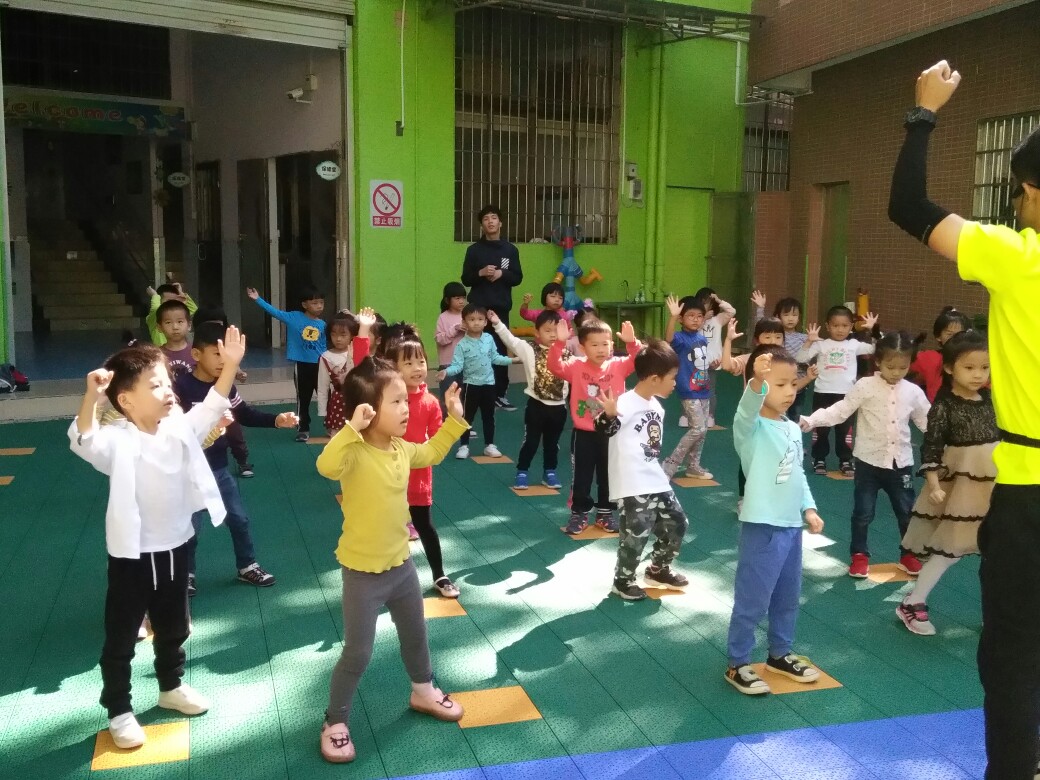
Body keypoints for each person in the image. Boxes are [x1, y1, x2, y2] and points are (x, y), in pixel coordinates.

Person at [887, 61, 1040, 777]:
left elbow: (908, 204)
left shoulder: (1019, 256)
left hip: (1030, 492)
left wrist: (924, 112)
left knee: (1012, 650)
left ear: (1030, 191)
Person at [68, 328, 246, 749]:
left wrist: (231, 366)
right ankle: (119, 709)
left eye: (167, 382)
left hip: (176, 545)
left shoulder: (179, 428)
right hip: (132, 555)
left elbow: (213, 404)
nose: (167, 390)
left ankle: (171, 686)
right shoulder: (115, 440)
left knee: (174, 625)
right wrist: (93, 396)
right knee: (122, 635)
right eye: (154, 385)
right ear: (126, 400)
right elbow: (83, 439)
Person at [315, 359, 468, 764]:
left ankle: (423, 690)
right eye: (396, 401)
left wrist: (454, 420)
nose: (406, 408)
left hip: (401, 567)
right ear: (367, 411)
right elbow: (325, 465)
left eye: (406, 400)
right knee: (358, 653)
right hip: (362, 575)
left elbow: (431, 452)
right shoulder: (353, 453)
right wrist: (350, 429)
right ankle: (335, 720)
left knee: (415, 635)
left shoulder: (401, 449)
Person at [725, 346, 825, 695]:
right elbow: (747, 407)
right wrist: (756, 380)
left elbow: (798, 473)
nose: (789, 392)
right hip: (762, 526)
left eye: (792, 384)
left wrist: (808, 508)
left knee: (787, 596)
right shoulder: (749, 428)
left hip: (791, 527)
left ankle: (779, 654)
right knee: (753, 599)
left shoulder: (793, 428)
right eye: (779, 385)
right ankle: (738, 662)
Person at [175, 321, 298, 595]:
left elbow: (245, 415)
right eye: (217, 354)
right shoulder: (180, 387)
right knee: (188, 529)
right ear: (196, 354)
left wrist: (276, 420)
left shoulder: (227, 387)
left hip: (219, 470)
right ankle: (186, 574)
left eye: (228, 355)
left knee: (239, 520)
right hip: (188, 474)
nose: (224, 361)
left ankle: (247, 566)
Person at [799, 332, 930, 578]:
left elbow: (927, 422)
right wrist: (812, 420)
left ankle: (909, 554)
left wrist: (948, 440)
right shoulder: (865, 386)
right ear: (878, 361)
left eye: (903, 367)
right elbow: (841, 410)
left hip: (900, 463)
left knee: (907, 512)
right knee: (863, 513)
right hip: (868, 463)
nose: (896, 372)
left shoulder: (913, 392)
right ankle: (859, 555)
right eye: (890, 366)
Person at [898, 331, 996, 636]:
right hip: (960, 490)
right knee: (949, 550)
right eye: (970, 367)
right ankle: (913, 602)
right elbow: (931, 448)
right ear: (950, 368)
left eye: (984, 367)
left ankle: (995, 613)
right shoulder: (944, 406)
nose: (979, 374)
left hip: (993, 485)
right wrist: (934, 484)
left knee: (997, 551)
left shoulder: (989, 400)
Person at [594, 340, 690, 601]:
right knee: (636, 532)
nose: (675, 383)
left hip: (655, 478)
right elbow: (605, 429)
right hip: (631, 482)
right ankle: (623, 581)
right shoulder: (625, 402)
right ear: (655, 379)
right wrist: (608, 415)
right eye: (672, 377)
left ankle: (658, 569)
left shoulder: (656, 406)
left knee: (677, 522)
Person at [378, 323, 461, 598]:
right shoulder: (387, 398)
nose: (417, 367)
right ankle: (382, 578)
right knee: (388, 528)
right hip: (389, 476)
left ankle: (439, 574)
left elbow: (438, 440)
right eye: (409, 362)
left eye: (421, 361)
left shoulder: (430, 401)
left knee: (425, 526)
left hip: (418, 477)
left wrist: (453, 416)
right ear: (394, 367)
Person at [548, 317, 641, 534]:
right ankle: (579, 513)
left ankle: (605, 513)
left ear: (612, 345)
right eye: (594, 344)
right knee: (582, 476)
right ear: (582, 347)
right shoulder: (576, 366)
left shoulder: (618, 365)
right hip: (584, 434)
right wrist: (559, 343)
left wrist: (632, 342)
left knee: (609, 475)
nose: (601, 349)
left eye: (605, 344)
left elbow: (639, 360)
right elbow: (554, 366)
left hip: (612, 432)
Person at [722, 316, 817, 514]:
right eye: (767, 337)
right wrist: (729, 340)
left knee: (781, 458)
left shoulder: (784, 362)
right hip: (753, 419)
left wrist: (807, 378)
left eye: (778, 337)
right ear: (757, 340)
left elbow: (792, 387)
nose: (773, 341)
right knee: (750, 459)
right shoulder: (751, 359)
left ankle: (776, 496)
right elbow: (727, 365)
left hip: (777, 418)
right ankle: (745, 497)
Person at [489, 308, 569, 491]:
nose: (553, 335)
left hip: (559, 409)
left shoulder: (567, 353)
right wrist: (497, 323)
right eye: (547, 330)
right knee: (531, 442)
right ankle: (522, 471)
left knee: (552, 443)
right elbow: (511, 340)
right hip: (536, 407)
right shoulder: (529, 349)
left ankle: (550, 472)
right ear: (537, 332)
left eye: (556, 331)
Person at [796, 306, 880, 476]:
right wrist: (809, 341)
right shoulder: (821, 344)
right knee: (820, 427)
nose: (840, 329)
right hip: (822, 392)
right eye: (835, 325)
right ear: (828, 326)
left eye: (844, 325)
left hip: (847, 395)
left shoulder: (854, 345)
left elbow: (875, 349)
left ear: (851, 326)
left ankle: (845, 460)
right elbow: (801, 358)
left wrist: (873, 330)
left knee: (845, 430)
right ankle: (819, 458)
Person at [461, 205, 523, 411]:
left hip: (500, 309)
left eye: (494, 218)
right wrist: (480, 273)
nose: (490, 221)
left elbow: (518, 277)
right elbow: (465, 279)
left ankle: (499, 394)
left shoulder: (510, 250)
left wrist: (501, 274)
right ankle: (474, 394)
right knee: (475, 350)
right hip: (477, 310)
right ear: (482, 225)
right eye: (486, 219)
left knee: (500, 350)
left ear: (500, 222)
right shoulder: (473, 250)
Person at [246, 285, 326, 441]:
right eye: (315, 303)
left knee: (325, 397)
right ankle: (303, 428)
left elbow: (325, 345)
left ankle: (331, 426)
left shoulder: (323, 324)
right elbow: (275, 312)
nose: (319, 306)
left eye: (322, 303)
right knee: (303, 399)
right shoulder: (294, 317)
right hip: (302, 366)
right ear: (304, 305)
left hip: (320, 366)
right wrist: (258, 299)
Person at [438, 304, 516, 460]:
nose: (476, 322)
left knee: (489, 416)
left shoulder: (489, 339)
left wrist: (512, 360)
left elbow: (495, 358)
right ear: (464, 322)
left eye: (480, 319)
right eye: (472, 319)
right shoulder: (462, 344)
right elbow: (457, 366)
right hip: (470, 386)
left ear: (485, 322)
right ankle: (464, 445)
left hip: (489, 385)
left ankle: (489, 445)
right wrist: (446, 372)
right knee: (467, 417)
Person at [661, 295, 713, 480]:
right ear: (682, 319)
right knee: (698, 428)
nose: (696, 319)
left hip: (704, 388)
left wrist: (712, 363)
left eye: (699, 316)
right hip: (688, 389)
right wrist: (673, 316)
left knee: (703, 430)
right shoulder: (680, 338)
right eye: (691, 316)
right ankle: (671, 463)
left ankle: (693, 466)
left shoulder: (702, 338)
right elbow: (668, 338)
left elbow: (700, 361)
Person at [910, 306, 972, 402]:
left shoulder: (975, 359)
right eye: (949, 334)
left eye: (960, 334)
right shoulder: (928, 358)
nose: (955, 338)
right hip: (935, 408)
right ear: (938, 336)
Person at [694, 287, 736, 428]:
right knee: (694, 388)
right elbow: (692, 332)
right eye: (703, 302)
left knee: (710, 390)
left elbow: (732, 311)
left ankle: (710, 416)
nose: (706, 306)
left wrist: (719, 300)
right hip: (697, 361)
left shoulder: (718, 319)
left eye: (709, 303)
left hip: (714, 361)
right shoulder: (695, 320)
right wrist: (702, 319)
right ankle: (692, 416)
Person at [318, 311, 358, 437]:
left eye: (343, 334)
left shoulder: (358, 352)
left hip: (357, 398)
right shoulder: (325, 357)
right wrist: (322, 410)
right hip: (337, 402)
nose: (338, 339)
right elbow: (323, 385)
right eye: (334, 334)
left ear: (352, 335)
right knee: (337, 435)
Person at [773, 296, 811, 416]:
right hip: (779, 382)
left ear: (799, 317)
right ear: (778, 316)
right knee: (778, 415)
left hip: (799, 384)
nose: (790, 318)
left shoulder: (804, 338)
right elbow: (761, 328)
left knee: (796, 416)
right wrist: (760, 307)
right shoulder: (776, 336)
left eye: (794, 315)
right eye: (786, 315)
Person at [435, 282, 468, 414]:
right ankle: (446, 422)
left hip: (466, 363)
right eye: (457, 298)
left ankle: (463, 422)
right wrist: (455, 329)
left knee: (464, 396)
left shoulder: (467, 315)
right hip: (447, 364)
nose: (461, 301)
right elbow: (440, 339)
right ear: (447, 300)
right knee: (448, 396)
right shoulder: (443, 317)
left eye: (463, 298)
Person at [145, 281, 198, 347]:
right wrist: (155, 296)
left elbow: (194, 310)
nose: (175, 327)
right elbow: (155, 309)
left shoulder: (177, 313)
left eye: (179, 321)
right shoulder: (154, 318)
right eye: (168, 322)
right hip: (162, 352)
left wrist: (181, 293)